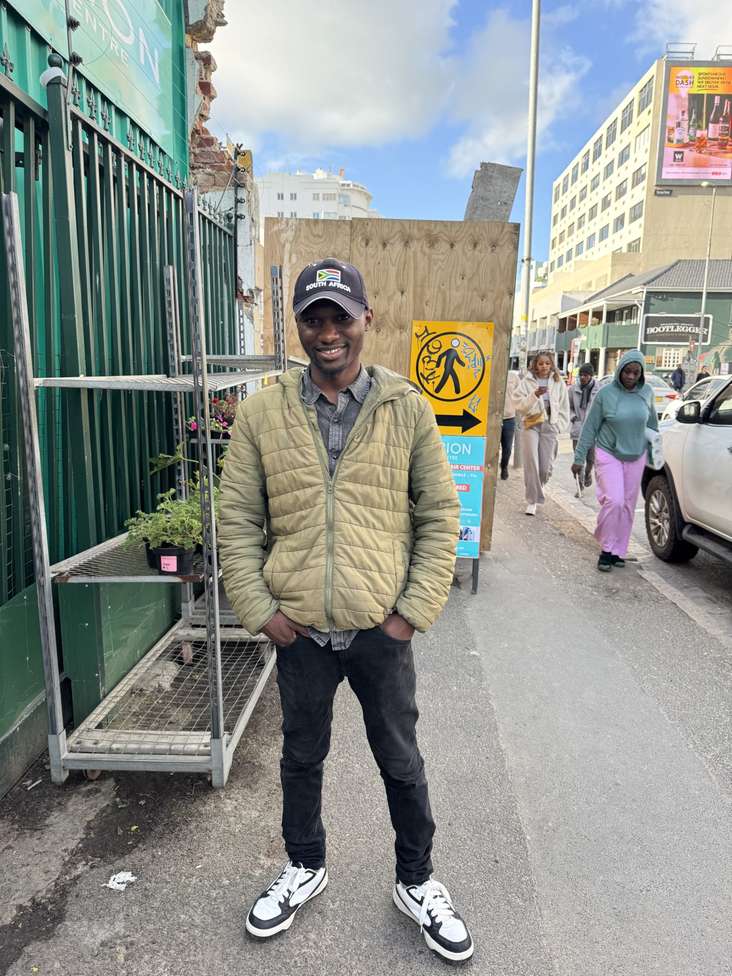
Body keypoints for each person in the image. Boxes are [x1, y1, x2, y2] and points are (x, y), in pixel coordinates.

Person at [218, 258, 474, 962]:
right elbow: (237, 519)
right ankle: (305, 865)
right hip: (298, 631)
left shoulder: (405, 406)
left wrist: (409, 614)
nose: (327, 332)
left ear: (367, 320)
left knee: (401, 759)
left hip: (378, 630)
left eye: (340, 316)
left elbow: (440, 514)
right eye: (313, 318)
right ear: (299, 327)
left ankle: (417, 880)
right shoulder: (264, 411)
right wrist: (260, 609)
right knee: (301, 757)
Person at [572, 350, 658, 572]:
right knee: (615, 501)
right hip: (608, 452)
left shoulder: (647, 393)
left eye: (635, 372)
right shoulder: (606, 394)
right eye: (627, 371)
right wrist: (579, 457)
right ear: (620, 370)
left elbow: (652, 425)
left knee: (628, 506)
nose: (631, 376)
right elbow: (590, 426)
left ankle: (619, 550)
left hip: (636, 455)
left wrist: (654, 448)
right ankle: (606, 548)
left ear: (641, 373)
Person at [513, 351, 570, 516]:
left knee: (545, 467)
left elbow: (564, 406)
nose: (544, 366)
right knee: (531, 462)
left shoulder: (558, 382)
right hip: (531, 425)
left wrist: (559, 426)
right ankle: (532, 501)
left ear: (551, 364)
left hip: (549, 426)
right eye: (540, 363)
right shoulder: (527, 382)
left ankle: (539, 486)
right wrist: (534, 395)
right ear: (535, 365)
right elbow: (519, 405)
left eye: (547, 363)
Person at [569, 363, 599, 490]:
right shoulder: (572, 390)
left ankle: (587, 474)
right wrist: (573, 417)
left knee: (591, 459)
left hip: (592, 430)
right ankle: (579, 485)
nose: (582, 377)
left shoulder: (599, 390)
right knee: (578, 458)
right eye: (580, 375)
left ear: (591, 376)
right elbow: (568, 407)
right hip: (578, 428)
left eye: (585, 375)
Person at [500, 369, 519, 480]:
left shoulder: (513, 377)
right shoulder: (492, 373)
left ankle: (504, 467)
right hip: (493, 418)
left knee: (507, 447)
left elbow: (520, 394)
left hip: (509, 418)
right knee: (492, 448)